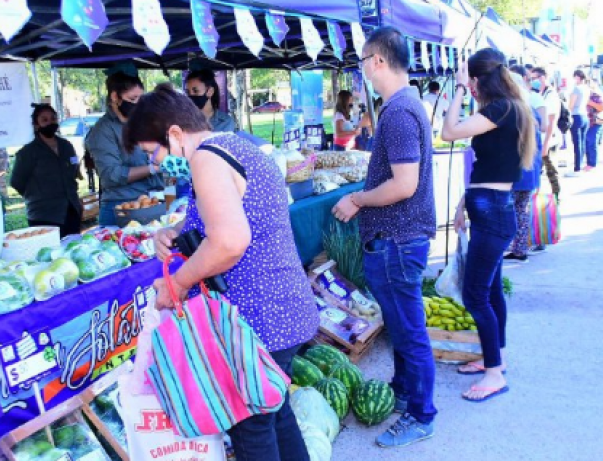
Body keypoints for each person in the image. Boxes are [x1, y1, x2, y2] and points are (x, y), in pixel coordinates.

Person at [124, 83, 317, 461]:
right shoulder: (237, 145)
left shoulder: (206, 159)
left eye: (153, 152)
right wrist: (175, 232)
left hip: (259, 318)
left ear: (174, 134)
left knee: (250, 426)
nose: (157, 164)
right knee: (275, 414)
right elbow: (228, 216)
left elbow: (229, 241)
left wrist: (178, 284)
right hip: (283, 308)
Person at [331, 26, 437, 448]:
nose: (362, 70)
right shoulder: (406, 105)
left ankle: (421, 414)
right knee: (401, 326)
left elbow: (404, 184)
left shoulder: (397, 112)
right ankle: (406, 392)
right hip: (399, 238)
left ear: (377, 60)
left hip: (397, 239)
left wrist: (358, 199)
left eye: (362, 61)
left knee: (410, 331)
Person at [441, 48, 536, 401]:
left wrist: (458, 89)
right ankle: (495, 358)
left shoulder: (501, 109)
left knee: (475, 294)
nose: (469, 87)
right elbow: (489, 167)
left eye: (471, 81)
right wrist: (462, 203)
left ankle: (494, 374)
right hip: (489, 207)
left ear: (480, 78)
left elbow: (449, 132)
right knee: (491, 291)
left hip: (493, 211)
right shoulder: (506, 108)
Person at [85, 63, 164, 226]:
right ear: (115, 97)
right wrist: (152, 168)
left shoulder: (143, 122)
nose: (138, 104)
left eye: (141, 99)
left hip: (154, 202)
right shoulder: (102, 131)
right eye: (133, 99)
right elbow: (111, 175)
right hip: (122, 209)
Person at [10, 103, 83, 237]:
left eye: (53, 118)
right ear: (36, 125)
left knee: (74, 246)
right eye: (45, 120)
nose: (50, 122)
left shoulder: (66, 146)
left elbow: (74, 170)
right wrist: (38, 193)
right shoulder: (28, 153)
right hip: (44, 215)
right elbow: (16, 182)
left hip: (71, 210)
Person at [505, 67, 546, 263]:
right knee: (522, 211)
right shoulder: (530, 111)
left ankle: (511, 247)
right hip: (529, 171)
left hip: (515, 172)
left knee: (509, 211)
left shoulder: (511, 112)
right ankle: (520, 249)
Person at [529, 67, 562, 204]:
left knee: (551, 171)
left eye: (535, 78)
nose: (533, 81)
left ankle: (556, 199)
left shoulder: (551, 95)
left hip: (549, 139)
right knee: (538, 172)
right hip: (540, 140)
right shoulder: (540, 93)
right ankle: (537, 202)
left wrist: (546, 144)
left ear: (543, 77)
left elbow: (552, 121)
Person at [184, 68, 236, 132]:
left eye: (196, 91)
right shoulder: (184, 121)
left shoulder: (226, 122)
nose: (191, 96)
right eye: (188, 92)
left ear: (210, 91)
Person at [566, 69, 591, 177]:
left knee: (577, 143)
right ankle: (580, 165)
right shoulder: (587, 88)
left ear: (577, 77)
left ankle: (577, 168)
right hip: (584, 115)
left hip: (576, 116)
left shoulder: (576, 89)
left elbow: (571, 105)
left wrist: (567, 111)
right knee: (582, 142)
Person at [584, 80, 603, 172]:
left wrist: (589, 102)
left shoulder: (596, 96)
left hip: (595, 122)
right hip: (585, 123)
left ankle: (592, 164)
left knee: (592, 143)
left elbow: (601, 107)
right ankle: (588, 163)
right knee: (586, 144)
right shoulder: (581, 95)